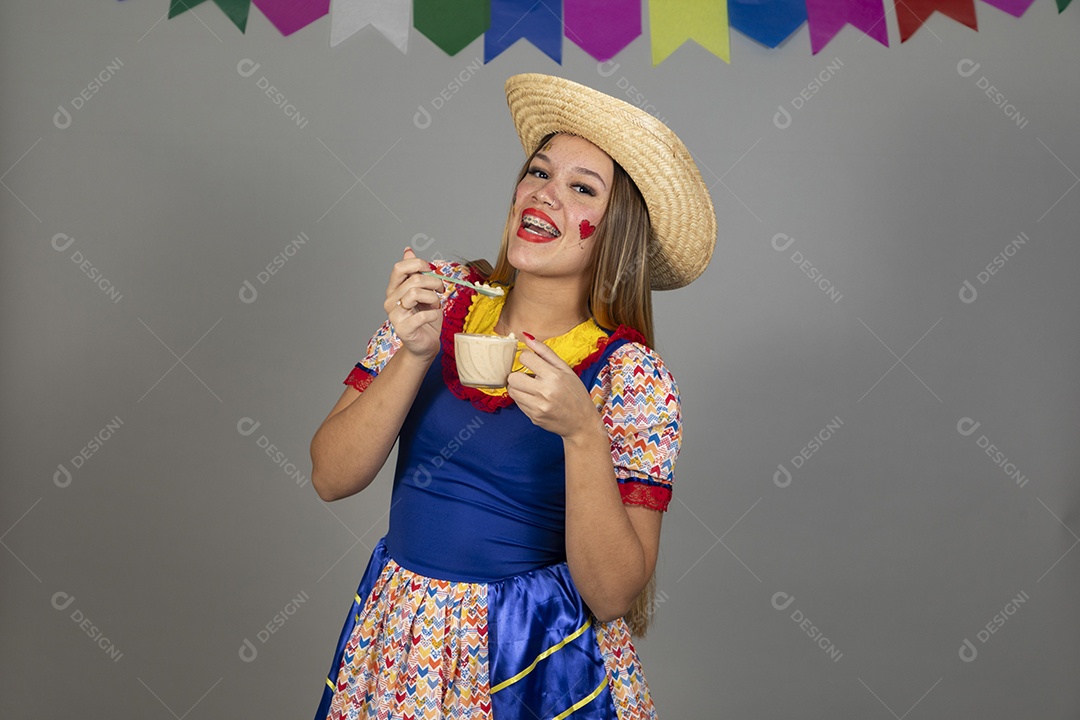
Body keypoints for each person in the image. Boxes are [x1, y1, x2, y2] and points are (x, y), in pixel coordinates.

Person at [310, 73, 716, 719]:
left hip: (539, 653)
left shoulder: (630, 377)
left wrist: (583, 434)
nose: (544, 195)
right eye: (538, 172)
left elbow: (611, 595)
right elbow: (331, 477)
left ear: (616, 230)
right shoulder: (436, 297)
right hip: (403, 636)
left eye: (581, 188)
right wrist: (415, 353)